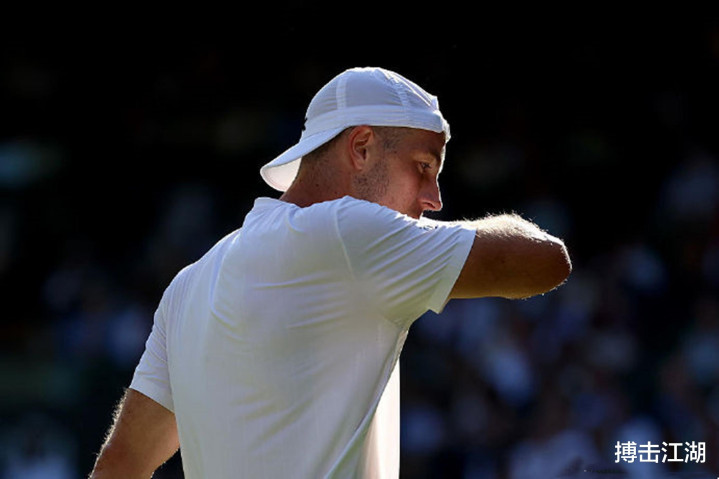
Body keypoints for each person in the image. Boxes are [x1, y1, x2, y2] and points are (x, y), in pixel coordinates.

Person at [89, 66, 571, 478]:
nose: (434, 199)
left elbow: (119, 466)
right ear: (361, 147)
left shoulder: (189, 284)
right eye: (424, 166)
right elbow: (545, 261)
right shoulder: (347, 233)